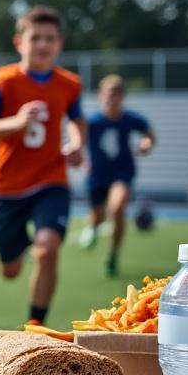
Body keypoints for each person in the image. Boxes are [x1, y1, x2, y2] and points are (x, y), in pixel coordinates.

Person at [0, 6, 86, 328]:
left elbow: (77, 121)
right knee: (11, 270)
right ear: (19, 42)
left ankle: (35, 324)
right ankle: (18, 250)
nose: (43, 45)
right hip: (8, 187)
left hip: (51, 181)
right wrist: (15, 122)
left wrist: (76, 144)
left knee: (47, 249)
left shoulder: (69, 84)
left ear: (60, 43)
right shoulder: (0, 82)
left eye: (50, 38)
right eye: (36, 38)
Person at [80, 75, 156, 277]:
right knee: (97, 217)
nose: (111, 99)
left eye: (115, 95)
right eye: (107, 95)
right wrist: (80, 160)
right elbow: (78, 141)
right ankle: (93, 226)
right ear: (100, 96)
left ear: (122, 97)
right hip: (97, 176)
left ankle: (112, 255)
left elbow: (149, 135)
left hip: (122, 173)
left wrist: (145, 144)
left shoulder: (131, 120)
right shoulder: (93, 122)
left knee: (117, 208)